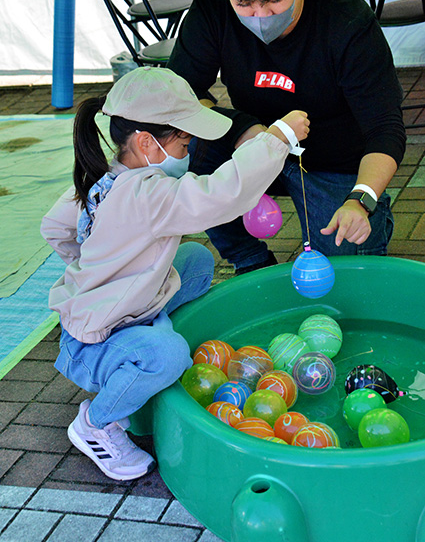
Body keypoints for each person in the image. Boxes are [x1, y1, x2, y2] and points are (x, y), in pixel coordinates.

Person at [40, 66, 309, 481]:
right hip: (93, 343)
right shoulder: (147, 195)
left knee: (196, 263)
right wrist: (278, 138)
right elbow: (221, 195)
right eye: (183, 141)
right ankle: (96, 424)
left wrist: (100, 265)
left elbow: (55, 227)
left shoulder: (108, 176)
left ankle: (145, 331)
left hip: (113, 311)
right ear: (147, 142)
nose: (188, 150)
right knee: (169, 355)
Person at [167, 0, 406, 275]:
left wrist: (361, 200)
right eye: (243, 4)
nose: (261, 18)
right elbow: (178, 97)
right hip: (251, 146)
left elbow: (385, 130)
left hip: (333, 159)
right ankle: (250, 259)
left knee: (347, 262)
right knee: (189, 141)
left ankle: (368, 221)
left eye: (275, 0)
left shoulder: (346, 21)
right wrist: (245, 129)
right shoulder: (211, 9)